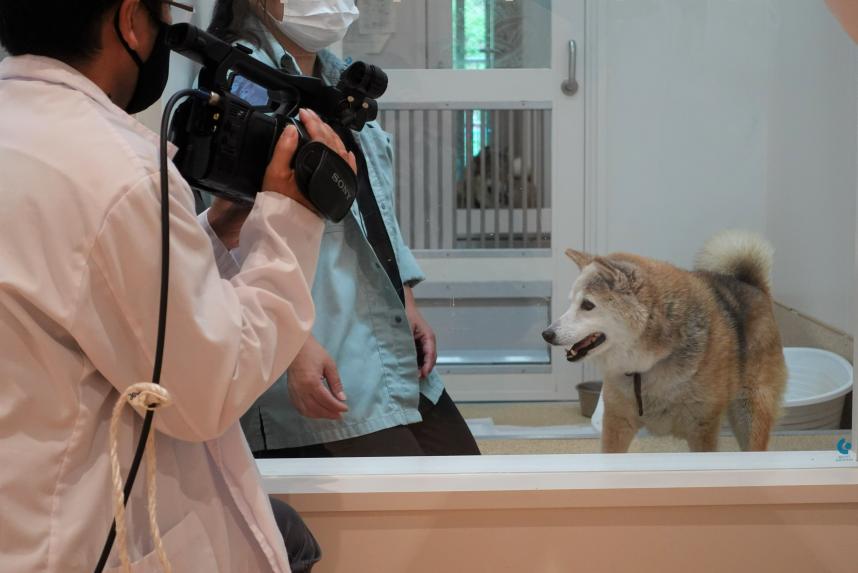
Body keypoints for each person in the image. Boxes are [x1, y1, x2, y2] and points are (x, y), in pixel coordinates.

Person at [0, 0, 356, 571]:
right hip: (71, 540)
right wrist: (290, 223)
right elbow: (209, 389)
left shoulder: (25, 133)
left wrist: (209, 233)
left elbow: (97, 283)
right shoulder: (118, 170)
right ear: (130, 21)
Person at [208, 0, 482, 458]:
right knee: (406, 513)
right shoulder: (241, 82)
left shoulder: (338, 79)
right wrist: (291, 350)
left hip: (380, 343)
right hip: (316, 353)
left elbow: (374, 204)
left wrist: (406, 300)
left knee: (469, 487)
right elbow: (219, 237)